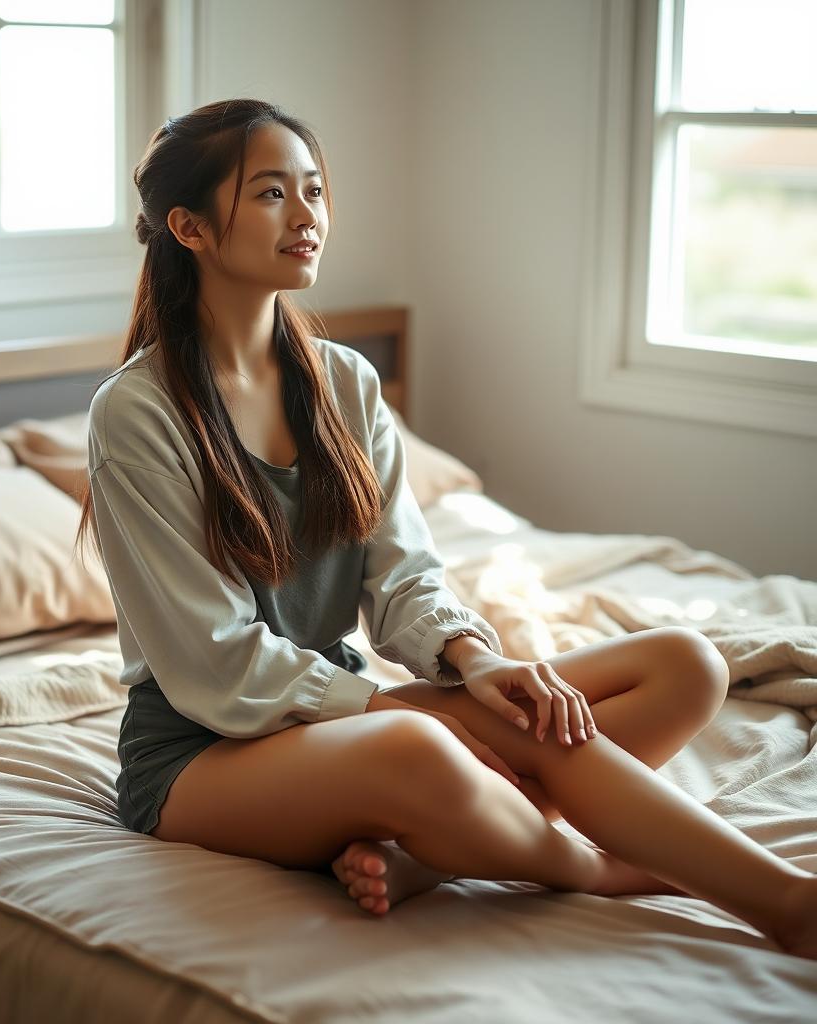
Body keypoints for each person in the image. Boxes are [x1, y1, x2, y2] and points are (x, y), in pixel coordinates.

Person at [73, 98, 816, 959]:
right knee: (420, 743)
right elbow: (211, 659)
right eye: (272, 194)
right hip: (202, 752)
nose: (307, 215)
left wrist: (477, 662)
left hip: (334, 715)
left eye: (314, 189)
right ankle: (632, 874)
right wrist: (403, 701)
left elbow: (404, 577)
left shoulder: (346, 384)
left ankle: (433, 852)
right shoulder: (137, 412)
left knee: (687, 663)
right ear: (189, 227)